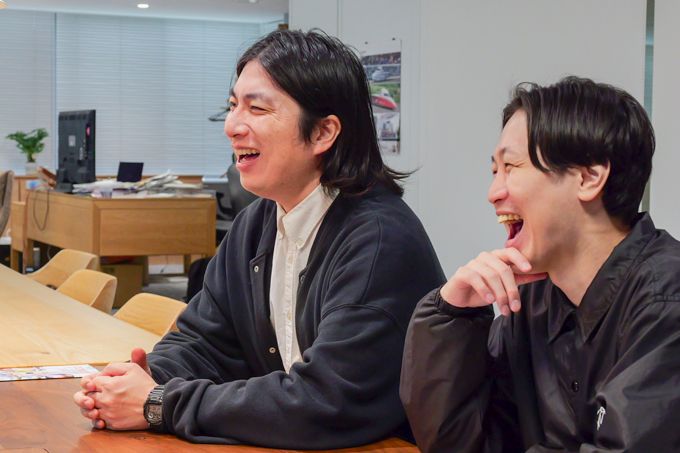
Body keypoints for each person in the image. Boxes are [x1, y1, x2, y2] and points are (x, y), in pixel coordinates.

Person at [73, 29, 444, 449]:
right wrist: (145, 379)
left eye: (257, 108)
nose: (232, 126)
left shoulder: (379, 241)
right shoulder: (256, 223)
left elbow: (325, 402)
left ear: (323, 133)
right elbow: (204, 340)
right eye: (233, 105)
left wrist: (159, 403)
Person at [400, 76, 680, 452]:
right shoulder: (533, 301)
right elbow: (461, 444)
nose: (493, 193)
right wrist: (452, 316)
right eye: (494, 171)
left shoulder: (666, 300)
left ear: (589, 177)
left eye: (511, 166)